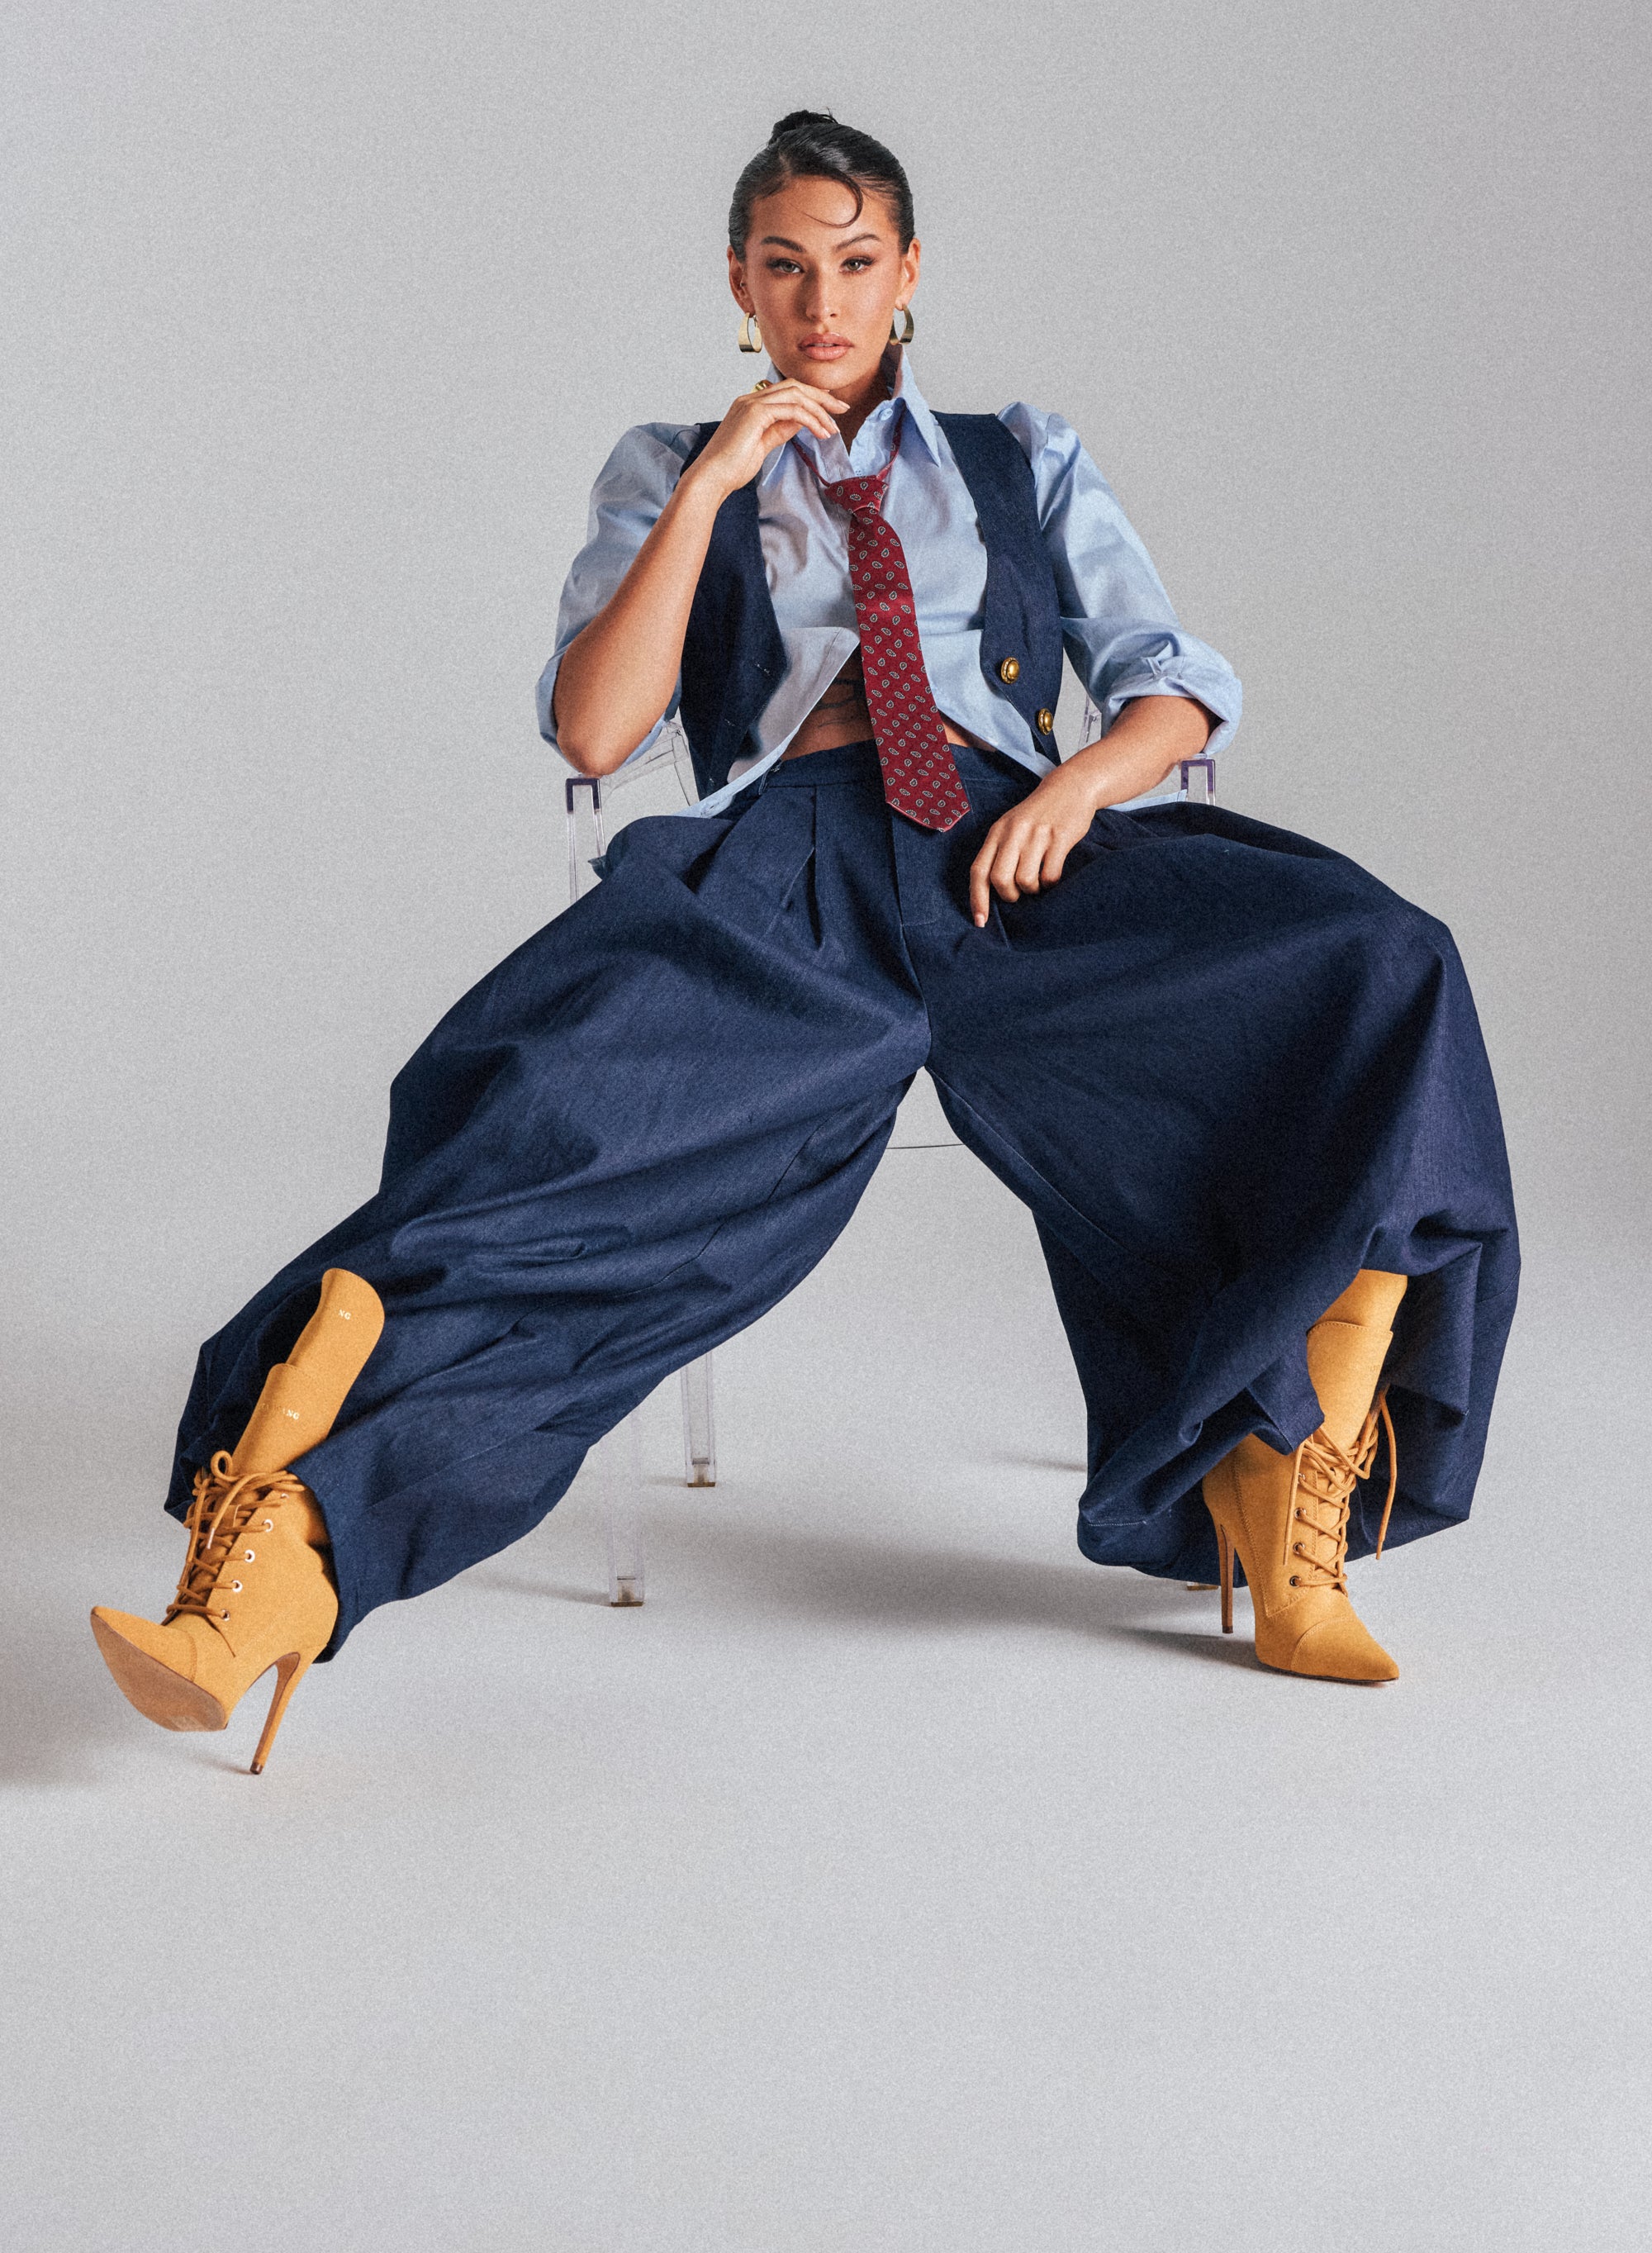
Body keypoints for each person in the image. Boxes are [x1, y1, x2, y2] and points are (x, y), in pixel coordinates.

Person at [91, 112, 1519, 1772]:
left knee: (1376, 962)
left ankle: (1291, 1494)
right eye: (783, 266)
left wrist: (1085, 791)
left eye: (853, 262)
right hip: (786, 871)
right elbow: (593, 732)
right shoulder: (662, 468)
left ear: (907, 275)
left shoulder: (1020, 453)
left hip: (1014, 856)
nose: (820, 299)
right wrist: (714, 481)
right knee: (543, 1136)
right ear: (739, 285)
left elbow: (1175, 675)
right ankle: (273, 1572)